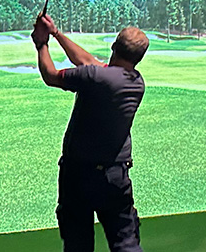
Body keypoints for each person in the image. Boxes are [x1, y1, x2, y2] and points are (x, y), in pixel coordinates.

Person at [31, 14, 149, 252]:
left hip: (78, 176)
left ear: (114, 47)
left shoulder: (96, 77)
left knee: (78, 245)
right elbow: (88, 62)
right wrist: (55, 33)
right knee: (126, 243)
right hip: (116, 177)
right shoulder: (136, 82)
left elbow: (51, 76)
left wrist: (41, 44)